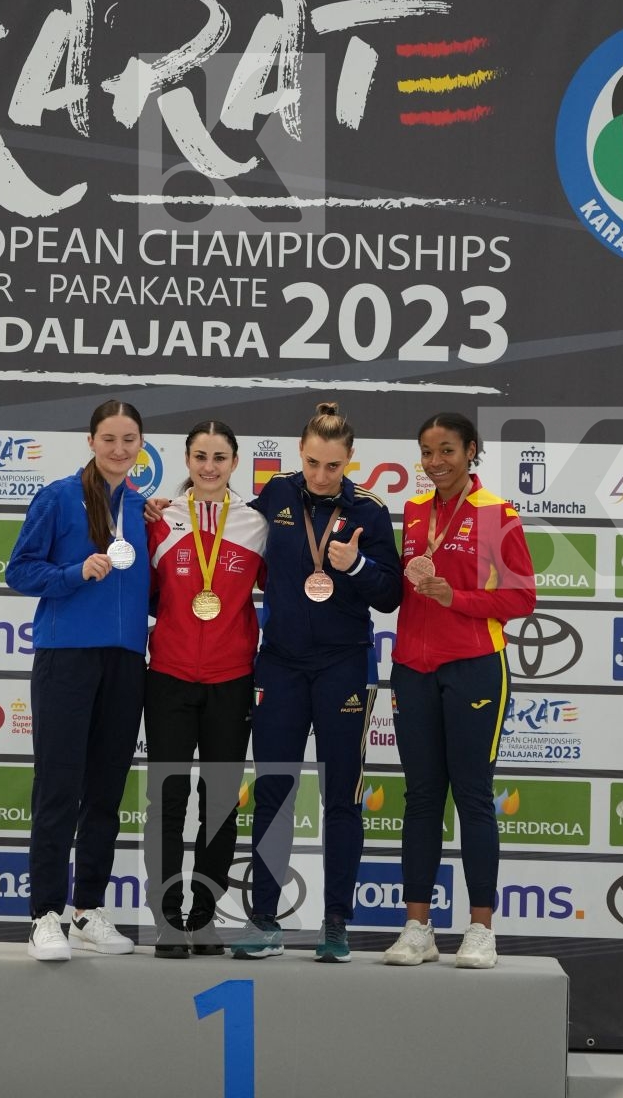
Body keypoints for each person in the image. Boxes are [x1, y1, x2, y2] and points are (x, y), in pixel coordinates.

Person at [230, 401, 403, 964]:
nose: (322, 475)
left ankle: (335, 923)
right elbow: (228, 536)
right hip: (279, 664)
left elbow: (391, 595)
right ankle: (263, 919)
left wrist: (354, 567)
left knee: (342, 798)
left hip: (343, 667)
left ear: (350, 459)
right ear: (299, 453)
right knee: (273, 792)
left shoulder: (371, 513)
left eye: (333, 465)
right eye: (312, 462)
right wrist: (166, 512)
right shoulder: (276, 494)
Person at [384, 412, 536, 970]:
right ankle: (417, 927)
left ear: (471, 451)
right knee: (421, 797)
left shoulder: (496, 514)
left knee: (472, 794)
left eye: (447, 450)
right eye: (427, 451)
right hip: (412, 668)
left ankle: (480, 929)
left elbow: (522, 599)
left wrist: (458, 599)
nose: (435, 462)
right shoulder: (416, 511)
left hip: (474, 666)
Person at [6, 399, 150, 962]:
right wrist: (74, 572)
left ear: (141, 446)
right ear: (91, 441)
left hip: (124, 659)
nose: (119, 449)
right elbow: (19, 570)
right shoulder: (59, 496)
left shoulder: (141, 507)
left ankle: (88, 909)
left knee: (107, 791)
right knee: (60, 787)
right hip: (66, 656)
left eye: (130, 439)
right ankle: (45, 914)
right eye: (110, 438)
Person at [143, 420, 267, 958]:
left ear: (236, 462)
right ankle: (169, 920)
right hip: (168, 675)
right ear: (187, 460)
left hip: (232, 679)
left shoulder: (256, 524)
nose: (209, 466)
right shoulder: (160, 519)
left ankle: (204, 917)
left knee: (219, 804)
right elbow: (147, 596)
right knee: (168, 800)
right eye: (200, 456)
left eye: (220, 457)